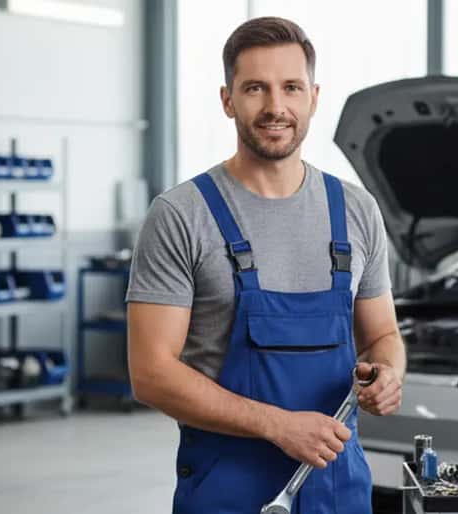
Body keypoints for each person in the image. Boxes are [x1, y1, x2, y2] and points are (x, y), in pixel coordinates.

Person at [126, 16, 405, 514]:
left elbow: (383, 335)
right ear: (227, 99)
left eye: (291, 87)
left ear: (314, 97)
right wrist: (278, 425)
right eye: (255, 88)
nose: (276, 107)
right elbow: (151, 374)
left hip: (337, 490)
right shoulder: (180, 216)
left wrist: (388, 373)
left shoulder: (357, 211)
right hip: (227, 491)